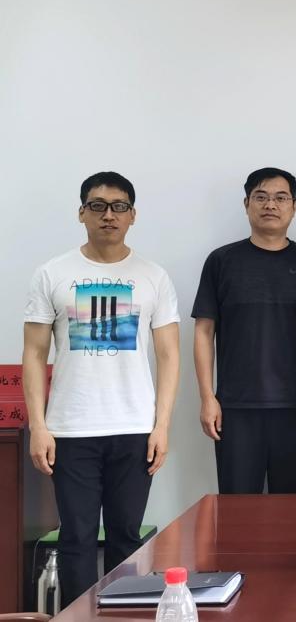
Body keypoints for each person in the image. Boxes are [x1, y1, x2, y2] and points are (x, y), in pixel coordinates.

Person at [23, 172, 180, 602]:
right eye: (97, 206)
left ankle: (120, 613)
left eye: (119, 206)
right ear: (82, 213)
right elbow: (34, 354)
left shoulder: (153, 276)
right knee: (76, 536)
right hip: (71, 429)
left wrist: (162, 425)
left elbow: (169, 356)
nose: (108, 215)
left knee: (127, 537)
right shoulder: (52, 273)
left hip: (134, 428)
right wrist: (39, 426)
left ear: (133, 215)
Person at [192, 167, 296, 494]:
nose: (271, 205)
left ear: (294, 207)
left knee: (291, 507)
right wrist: (207, 397)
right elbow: (203, 332)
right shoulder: (222, 261)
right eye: (261, 197)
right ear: (247, 204)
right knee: (237, 508)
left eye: (281, 198)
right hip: (235, 408)